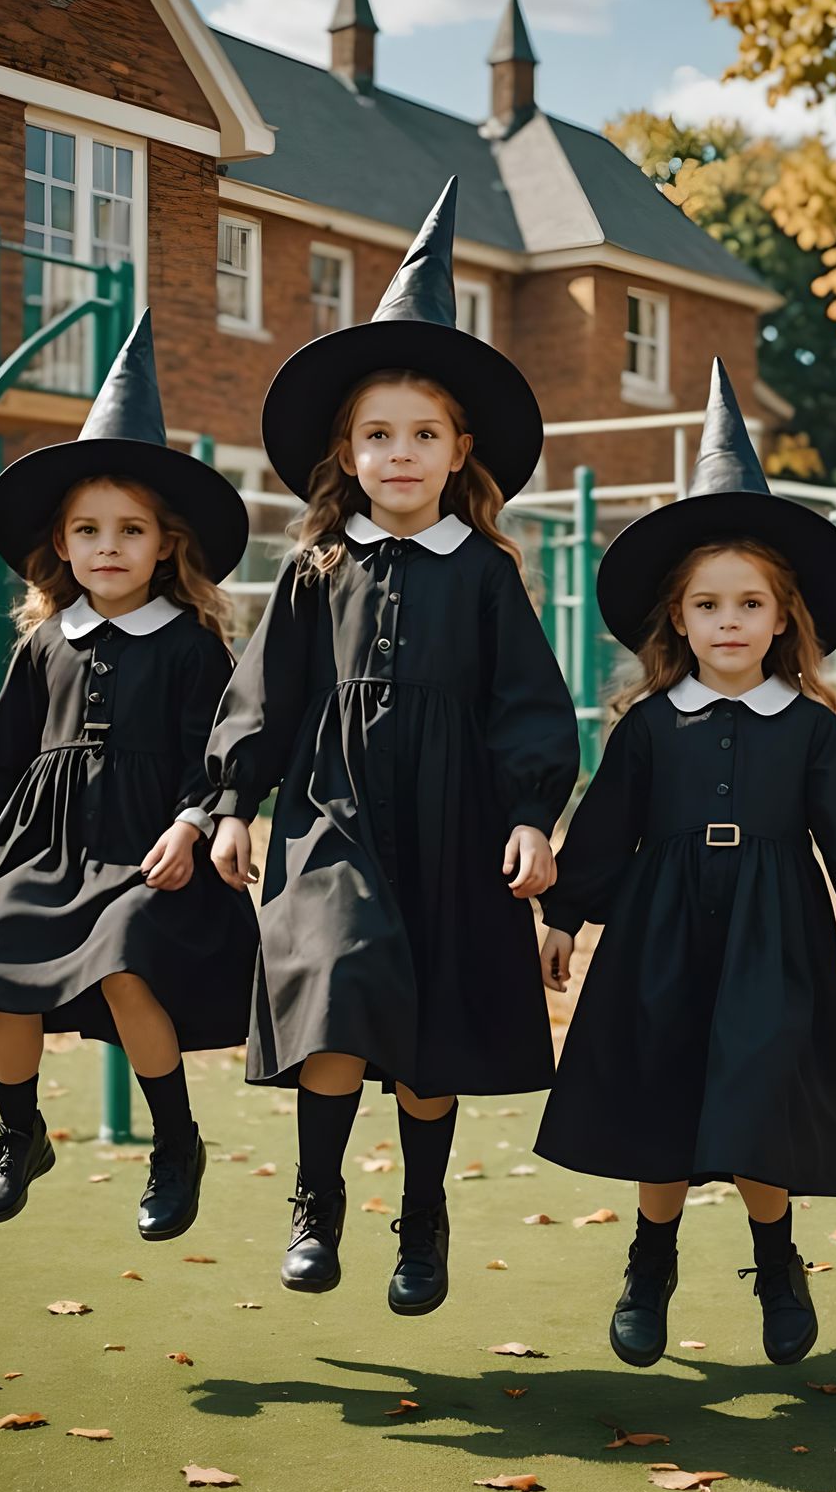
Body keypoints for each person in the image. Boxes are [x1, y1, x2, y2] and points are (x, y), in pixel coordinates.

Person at [202, 179, 579, 1317]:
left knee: (428, 1039)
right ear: (347, 451)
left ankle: (422, 1214)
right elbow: (263, 696)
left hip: (456, 827)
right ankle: (317, 1200)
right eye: (379, 435)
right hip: (335, 815)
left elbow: (530, 707)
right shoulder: (316, 569)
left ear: (460, 451)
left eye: (423, 435)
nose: (401, 453)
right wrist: (232, 803)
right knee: (333, 981)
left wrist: (531, 816)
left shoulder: (487, 574)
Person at [533, 361, 836, 1368]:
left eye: (750, 603)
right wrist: (565, 916)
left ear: (783, 618)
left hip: (772, 932)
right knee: (662, 1097)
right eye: (707, 605)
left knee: (758, 1096)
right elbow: (602, 830)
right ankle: (649, 1263)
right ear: (677, 619)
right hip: (660, 931)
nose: (729, 622)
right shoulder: (647, 727)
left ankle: (777, 1261)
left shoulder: (809, 727)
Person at [0, 312, 257, 1241]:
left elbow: (220, 752)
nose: (107, 546)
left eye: (130, 530)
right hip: (41, 841)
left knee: (124, 960)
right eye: (88, 530)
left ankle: (175, 1145)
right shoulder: (45, 644)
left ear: (166, 546)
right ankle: (19, 1136)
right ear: (63, 545)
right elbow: (3, 750)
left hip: (146, 845)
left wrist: (193, 825)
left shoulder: (192, 646)